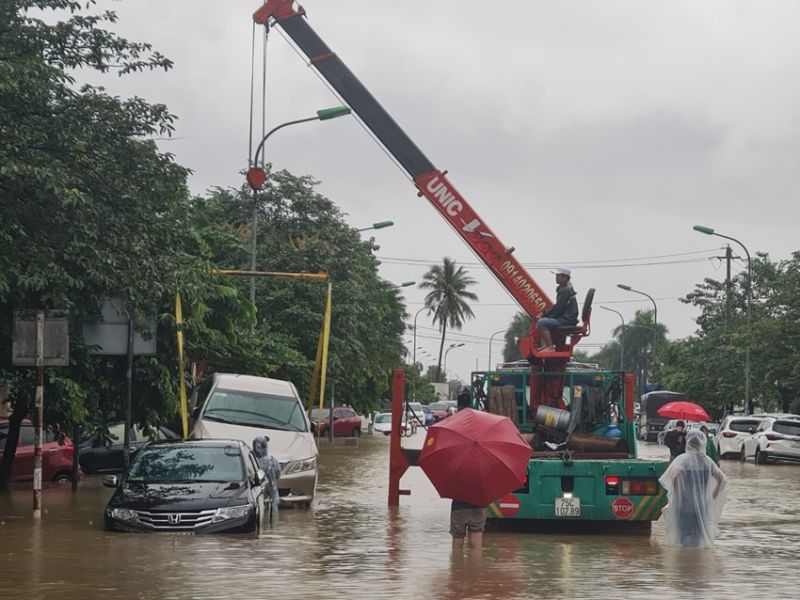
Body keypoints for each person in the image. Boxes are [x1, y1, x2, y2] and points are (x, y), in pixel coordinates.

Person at [658, 429, 728, 548]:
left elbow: (674, 476)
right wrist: (711, 497)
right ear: (702, 443)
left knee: (682, 539)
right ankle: (696, 563)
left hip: (684, 506)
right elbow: (723, 480)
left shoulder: (683, 460)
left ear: (688, 441)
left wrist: (679, 495)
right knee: (698, 540)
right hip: (701, 507)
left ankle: (684, 563)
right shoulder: (707, 461)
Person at [536, 267, 579, 352]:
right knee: (546, 320)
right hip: (567, 318)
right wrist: (546, 313)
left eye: (558, 275)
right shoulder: (565, 287)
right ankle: (547, 345)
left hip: (566, 319)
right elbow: (558, 307)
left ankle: (550, 346)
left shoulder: (565, 290)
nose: (556, 277)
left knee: (542, 322)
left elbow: (558, 309)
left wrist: (544, 315)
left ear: (565, 277)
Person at [252, 436, 282, 516]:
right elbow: (278, 472)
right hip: (271, 489)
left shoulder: (251, 459)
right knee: (273, 507)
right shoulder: (272, 460)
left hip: (255, 490)